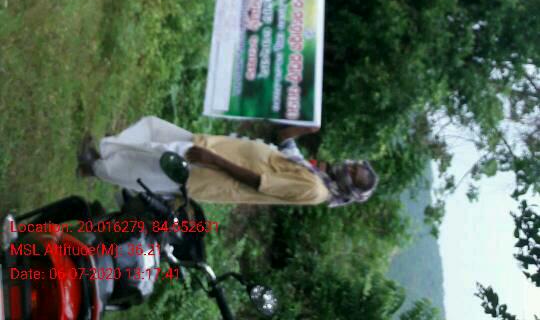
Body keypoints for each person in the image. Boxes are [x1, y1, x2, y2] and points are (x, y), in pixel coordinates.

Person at [77, 117, 379, 208]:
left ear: (348, 187)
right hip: (215, 151)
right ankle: (106, 152)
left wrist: (213, 160)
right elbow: (284, 142)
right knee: (155, 134)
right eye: (353, 165)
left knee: (152, 164)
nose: (347, 167)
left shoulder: (314, 189)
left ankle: (95, 166)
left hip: (211, 169)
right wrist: (304, 129)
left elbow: (260, 183)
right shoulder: (315, 174)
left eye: (352, 173)